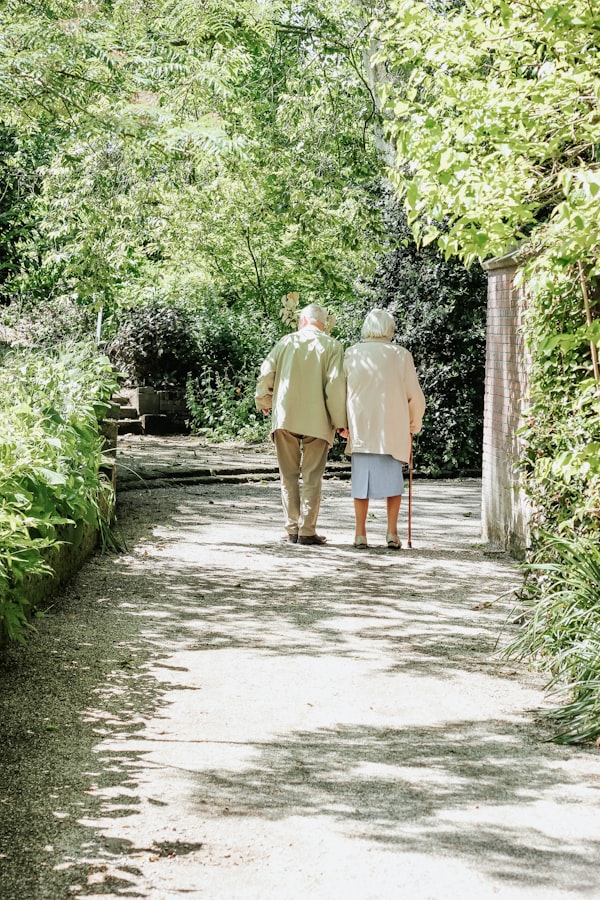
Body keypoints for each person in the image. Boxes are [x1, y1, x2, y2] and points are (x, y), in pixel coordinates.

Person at [255, 303, 347, 545]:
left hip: (286, 417)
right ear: (324, 324)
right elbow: (335, 386)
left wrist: (264, 400)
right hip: (318, 420)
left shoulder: (286, 342)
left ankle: (291, 528)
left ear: (303, 321)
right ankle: (307, 530)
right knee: (312, 476)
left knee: (288, 475)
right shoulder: (333, 346)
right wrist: (340, 422)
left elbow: (266, 373)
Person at [343, 308, 425, 550]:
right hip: (392, 428)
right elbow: (414, 396)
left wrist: (342, 423)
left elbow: (341, 391)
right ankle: (392, 532)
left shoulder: (352, 353)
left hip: (361, 427)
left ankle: (360, 533)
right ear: (390, 329)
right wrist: (413, 424)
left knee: (361, 483)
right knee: (393, 483)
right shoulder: (401, 355)